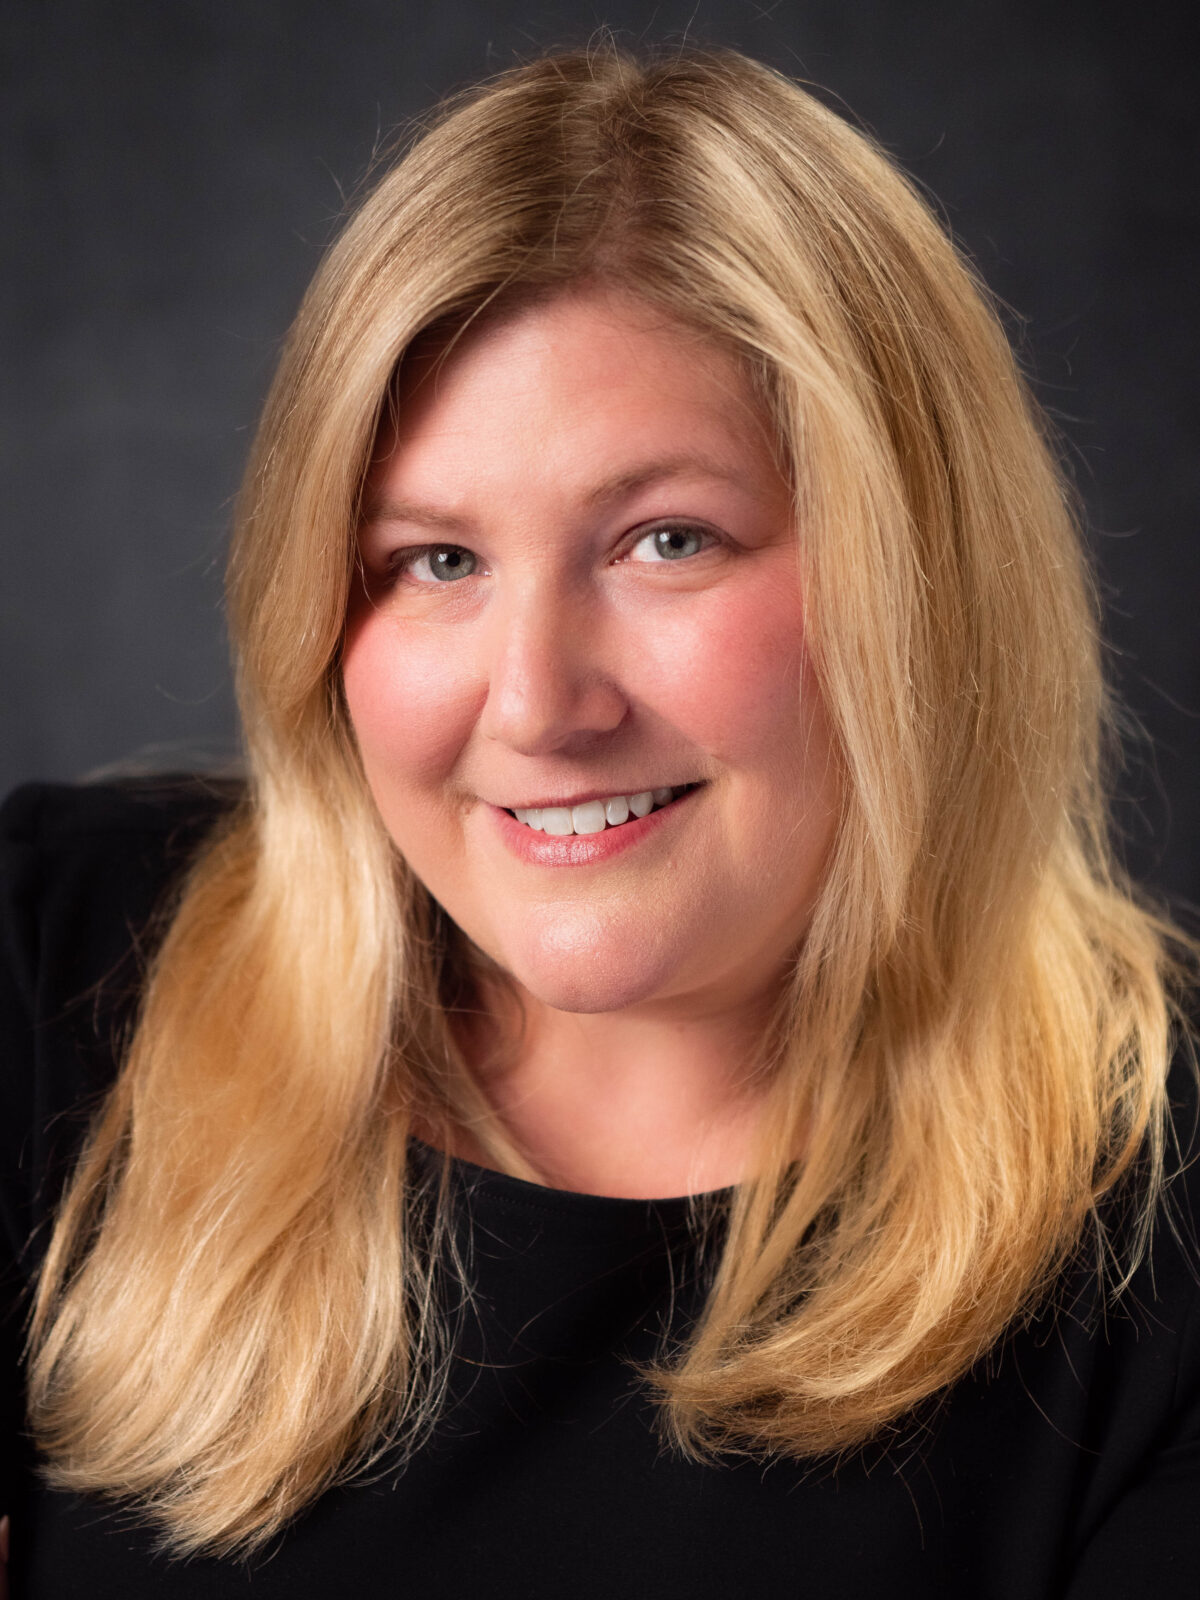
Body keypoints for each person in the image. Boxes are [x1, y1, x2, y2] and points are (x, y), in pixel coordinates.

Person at [2, 41, 1198, 1598]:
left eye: (665, 540)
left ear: (920, 576)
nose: (537, 703)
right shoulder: (52, 969)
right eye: (435, 559)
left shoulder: (1156, 1237)